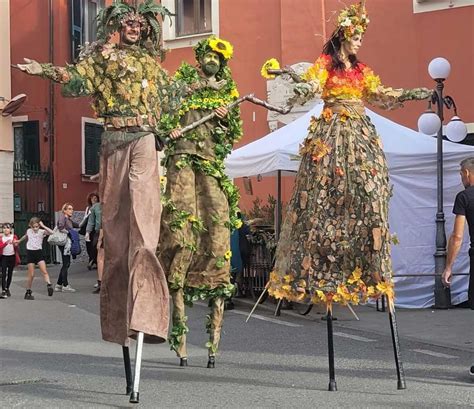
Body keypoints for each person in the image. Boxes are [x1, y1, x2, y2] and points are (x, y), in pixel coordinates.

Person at [16, 2, 178, 345]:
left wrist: (206, 98)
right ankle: (120, 322)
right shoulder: (104, 58)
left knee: (145, 226)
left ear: (146, 28)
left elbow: (173, 100)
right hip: (115, 141)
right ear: (118, 26)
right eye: (127, 23)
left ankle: (148, 315)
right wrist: (43, 69)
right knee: (116, 235)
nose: (134, 28)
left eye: (138, 24)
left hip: (145, 139)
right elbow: (77, 79)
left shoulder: (152, 65)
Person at [262, 1, 432, 311]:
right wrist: (298, 86)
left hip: (359, 133)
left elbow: (381, 94)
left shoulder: (361, 70)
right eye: (356, 36)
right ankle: (322, 264)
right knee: (325, 192)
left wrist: (411, 93)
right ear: (344, 35)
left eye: (361, 38)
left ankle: (367, 259)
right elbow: (313, 84)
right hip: (332, 132)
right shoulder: (326, 64)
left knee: (370, 189)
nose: (359, 42)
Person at [157, 35, 242, 367]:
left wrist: (223, 117)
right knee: (180, 228)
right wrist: (172, 130)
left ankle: (214, 336)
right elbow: (165, 117)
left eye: (217, 57)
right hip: (181, 160)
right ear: (199, 57)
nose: (211, 60)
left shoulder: (226, 90)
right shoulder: (183, 83)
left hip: (208, 164)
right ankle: (178, 331)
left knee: (217, 227)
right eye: (207, 54)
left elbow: (231, 132)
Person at [442, 157, 474, 378]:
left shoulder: (464, 197)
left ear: (468, 173)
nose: (461, 178)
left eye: (461, 174)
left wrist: (448, 267)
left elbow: (457, 236)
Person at [16, 217, 54, 300]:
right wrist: (19, 241)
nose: (35, 228)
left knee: (44, 271)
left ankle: (49, 284)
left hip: (38, 252)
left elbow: (52, 232)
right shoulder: (29, 231)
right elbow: (25, 236)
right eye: (34, 227)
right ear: (30, 226)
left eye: (37, 226)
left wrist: (43, 226)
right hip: (30, 252)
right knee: (31, 274)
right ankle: (28, 291)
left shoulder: (42, 232)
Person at [55, 202, 79, 292]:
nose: (71, 211)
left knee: (66, 263)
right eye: (69, 209)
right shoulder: (63, 217)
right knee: (66, 263)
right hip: (63, 242)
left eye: (72, 209)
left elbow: (77, 225)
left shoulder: (68, 219)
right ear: (64, 210)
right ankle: (65, 285)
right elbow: (60, 226)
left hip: (66, 243)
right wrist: (68, 232)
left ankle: (58, 285)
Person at [85, 200, 102, 293]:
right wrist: (87, 232)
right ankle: (100, 282)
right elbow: (91, 221)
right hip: (98, 232)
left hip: (111, 232)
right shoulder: (95, 207)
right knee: (99, 258)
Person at [0, 223, 20, 298]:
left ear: (10, 229)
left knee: (10, 273)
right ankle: (3, 290)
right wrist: (6, 243)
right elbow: (0, 247)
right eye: (4, 228)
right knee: (3, 273)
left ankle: (7, 287)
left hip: (12, 257)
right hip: (4, 257)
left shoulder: (14, 236)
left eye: (7, 228)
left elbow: (17, 247)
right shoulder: (1, 238)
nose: (6, 229)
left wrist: (15, 244)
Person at [80, 192, 99, 270]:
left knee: (95, 245)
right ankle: (92, 260)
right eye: (92, 198)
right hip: (89, 229)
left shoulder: (99, 207)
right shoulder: (88, 208)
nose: (93, 200)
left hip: (96, 229)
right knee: (89, 246)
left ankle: (93, 261)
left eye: (95, 198)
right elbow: (85, 218)